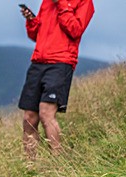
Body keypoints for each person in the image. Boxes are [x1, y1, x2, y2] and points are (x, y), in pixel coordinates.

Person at [18, 0, 95, 159]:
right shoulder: (47, 2)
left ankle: (58, 164)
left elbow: (75, 30)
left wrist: (61, 3)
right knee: (29, 117)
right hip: (38, 61)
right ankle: (30, 165)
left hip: (61, 62)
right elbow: (36, 35)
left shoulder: (85, 2)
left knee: (46, 113)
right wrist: (31, 20)